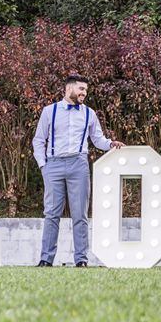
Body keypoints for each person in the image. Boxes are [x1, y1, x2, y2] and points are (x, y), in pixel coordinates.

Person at [32, 75, 125, 267]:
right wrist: (43, 165)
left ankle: (81, 260)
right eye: (81, 89)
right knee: (51, 213)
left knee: (80, 214)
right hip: (53, 164)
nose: (84, 93)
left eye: (86, 90)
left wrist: (110, 143)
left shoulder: (89, 113)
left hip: (79, 165)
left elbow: (97, 139)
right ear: (68, 89)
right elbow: (39, 140)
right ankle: (45, 259)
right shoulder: (50, 111)